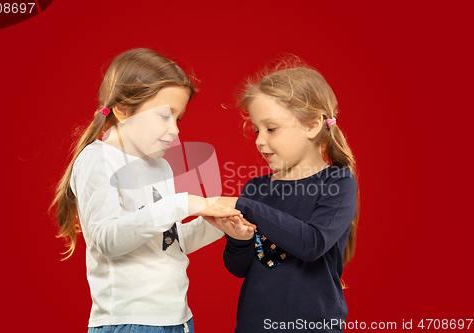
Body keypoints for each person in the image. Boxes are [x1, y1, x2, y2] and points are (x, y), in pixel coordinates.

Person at [49, 48, 245, 333]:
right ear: (123, 110)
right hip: (131, 322)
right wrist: (184, 203)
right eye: (165, 116)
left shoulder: (160, 167)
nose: (176, 131)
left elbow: (170, 242)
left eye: (178, 119)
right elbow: (106, 240)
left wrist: (217, 221)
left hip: (178, 319)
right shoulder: (98, 159)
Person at [211, 60, 360, 332]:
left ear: (313, 126)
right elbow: (238, 267)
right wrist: (237, 238)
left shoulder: (337, 183)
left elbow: (312, 244)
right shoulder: (255, 188)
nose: (258, 140)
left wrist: (244, 206)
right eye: (257, 129)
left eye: (271, 128)